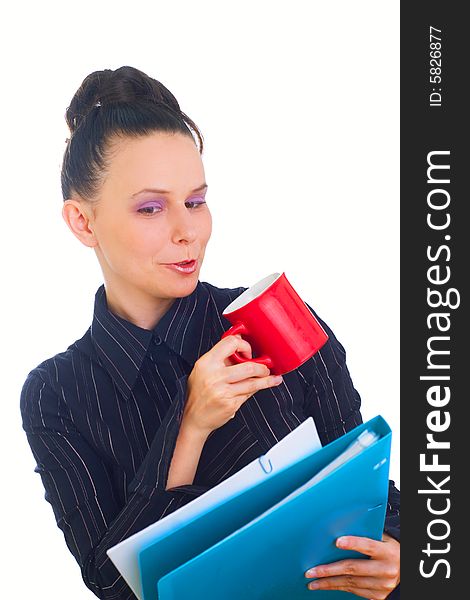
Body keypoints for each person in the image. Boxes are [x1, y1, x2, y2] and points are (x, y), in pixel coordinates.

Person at [20, 65, 400, 599]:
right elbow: (113, 587)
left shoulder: (276, 315)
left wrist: (402, 555)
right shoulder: (57, 392)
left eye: (195, 201)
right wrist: (191, 425)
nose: (187, 231)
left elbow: (366, 482)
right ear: (83, 222)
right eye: (151, 208)